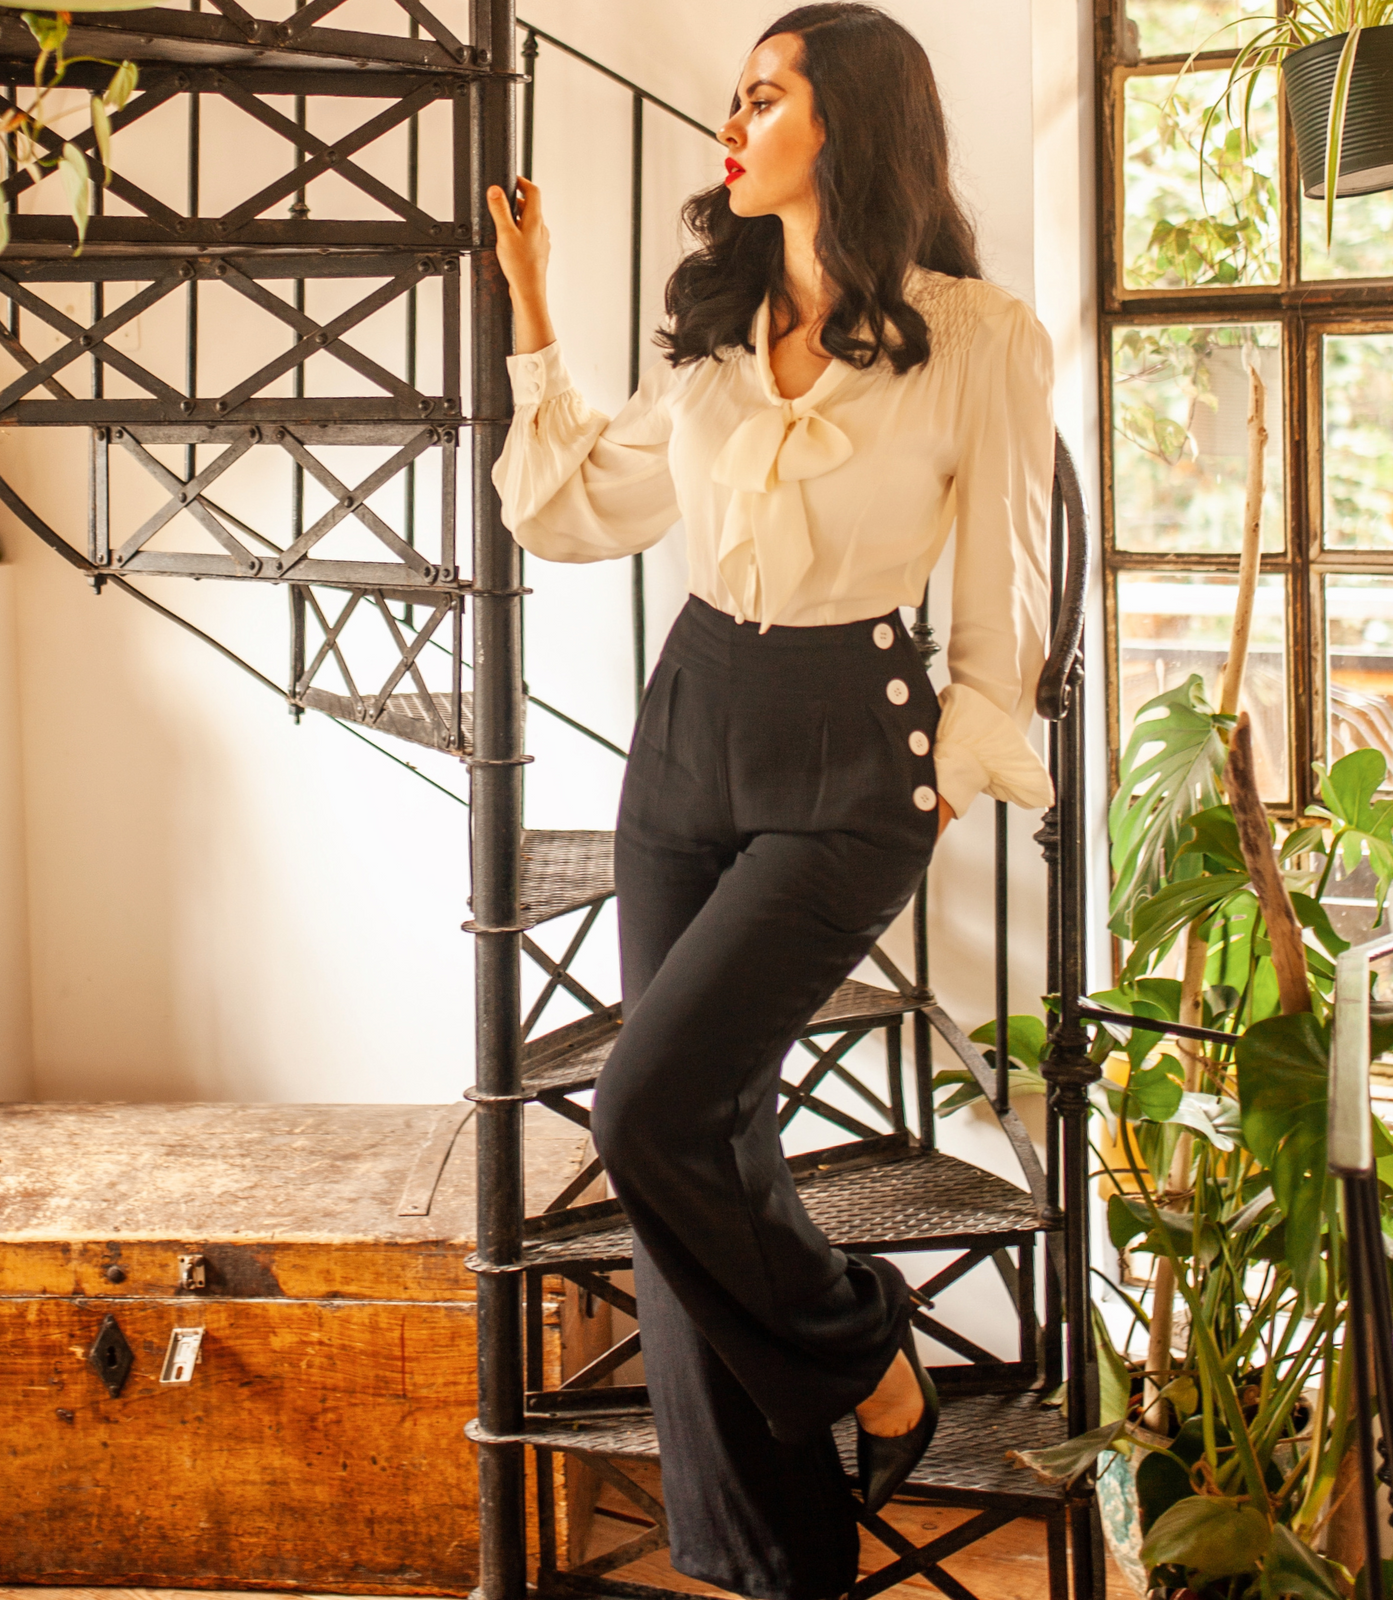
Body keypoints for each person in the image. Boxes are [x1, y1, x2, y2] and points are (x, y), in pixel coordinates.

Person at [485, 5, 1055, 1596]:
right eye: (735, 99)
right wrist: (534, 313)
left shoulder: (983, 337)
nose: (731, 126)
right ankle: (775, 1561)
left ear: (849, 124)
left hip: (848, 754)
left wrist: (949, 766)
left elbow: (1006, 587)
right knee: (699, 1152)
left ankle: (874, 1355)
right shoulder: (724, 343)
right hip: (688, 737)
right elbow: (577, 504)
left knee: (644, 1109)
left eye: (763, 97)